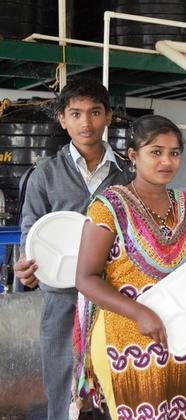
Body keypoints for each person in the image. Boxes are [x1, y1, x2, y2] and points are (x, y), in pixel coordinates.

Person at [74, 115, 186, 418]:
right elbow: (85, 278)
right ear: (132, 155)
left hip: (183, 339)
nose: (166, 160)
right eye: (156, 152)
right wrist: (140, 312)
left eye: (174, 153)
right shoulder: (109, 206)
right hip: (126, 342)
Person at [14, 78, 132, 420]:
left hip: (115, 299)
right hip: (62, 301)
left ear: (108, 117)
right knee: (64, 394)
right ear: (62, 119)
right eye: (76, 114)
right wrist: (28, 266)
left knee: (116, 388)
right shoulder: (45, 175)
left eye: (95, 112)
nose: (86, 122)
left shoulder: (127, 173)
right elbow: (31, 232)